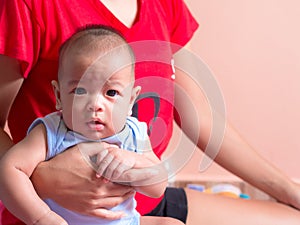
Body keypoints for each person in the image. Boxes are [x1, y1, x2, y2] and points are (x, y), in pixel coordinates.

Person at [0, 0, 300, 225]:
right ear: (59, 95)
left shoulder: (164, 5)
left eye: (112, 93)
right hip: (48, 209)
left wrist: (288, 189)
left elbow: (200, 115)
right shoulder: (28, 5)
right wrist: (42, 180)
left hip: (134, 210)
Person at [0, 25, 183, 225]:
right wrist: (42, 218)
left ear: (131, 100)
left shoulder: (133, 133)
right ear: (59, 96)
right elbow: (10, 169)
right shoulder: (52, 131)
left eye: (111, 93)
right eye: (80, 91)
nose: (95, 105)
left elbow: (157, 186)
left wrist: (133, 162)